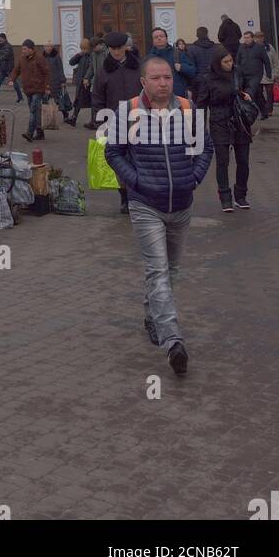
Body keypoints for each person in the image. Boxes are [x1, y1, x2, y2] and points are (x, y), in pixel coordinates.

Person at [105, 55, 213, 376]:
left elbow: (205, 148)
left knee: (172, 269)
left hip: (182, 203)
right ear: (144, 82)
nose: (163, 83)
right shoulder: (128, 112)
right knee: (158, 270)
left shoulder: (187, 109)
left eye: (167, 77)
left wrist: (193, 178)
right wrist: (135, 181)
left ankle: (152, 315)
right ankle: (173, 342)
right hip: (146, 204)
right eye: (156, 78)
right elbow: (113, 151)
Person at [90, 32, 142, 213]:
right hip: (114, 122)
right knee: (120, 163)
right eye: (112, 49)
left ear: (125, 48)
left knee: (139, 160)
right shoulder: (104, 71)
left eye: (119, 48)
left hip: (139, 121)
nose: (116, 52)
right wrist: (100, 123)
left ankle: (138, 197)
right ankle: (125, 197)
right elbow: (97, 97)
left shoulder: (138, 67)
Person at [196, 47, 252, 212]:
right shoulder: (208, 79)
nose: (230, 64)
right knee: (223, 162)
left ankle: (241, 196)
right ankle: (225, 197)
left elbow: (249, 85)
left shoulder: (237, 72)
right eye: (226, 62)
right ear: (217, 63)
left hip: (240, 122)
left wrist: (248, 93)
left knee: (243, 161)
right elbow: (201, 104)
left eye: (231, 61)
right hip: (219, 123)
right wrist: (198, 127)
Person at [11, 39, 49, 143]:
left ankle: (29, 133)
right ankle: (40, 133)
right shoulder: (22, 59)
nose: (23, 51)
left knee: (33, 110)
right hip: (27, 90)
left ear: (31, 49)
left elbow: (46, 73)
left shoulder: (39, 59)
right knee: (35, 112)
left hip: (38, 89)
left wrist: (47, 87)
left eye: (25, 49)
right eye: (22, 49)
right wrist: (12, 79)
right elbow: (16, 70)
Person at [236, 31, 271, 119]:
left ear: (252, 38)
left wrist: (269, 73)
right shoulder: (241, 47)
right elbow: (238, 60)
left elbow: (266, 61)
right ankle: (264, 111)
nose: (246, 39)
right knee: (257, 94)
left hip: (256, 75)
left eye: (248, 37)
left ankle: (252, 113)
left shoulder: (259, 47)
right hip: (244, 75)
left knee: (250, 92)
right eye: (245, 38)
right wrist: (237, 72)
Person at [147, 28, 187, 97]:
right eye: (156, 37)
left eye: (161, 36)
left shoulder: (178, 53)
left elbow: (192, 71)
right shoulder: (149, 58)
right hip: (157, 97)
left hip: (177, 95)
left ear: (166, 38)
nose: (159, 38)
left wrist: (182, 67)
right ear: (153, 41)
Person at [0, 33, 22, 103]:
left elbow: (5, 56)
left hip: (9, 68)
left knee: (14, 83)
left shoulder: (8, 46)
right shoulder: (3, 46)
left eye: (1, 38)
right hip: (3, 68)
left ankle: (20, 98)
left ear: (4, 38)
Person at [186, 27, 217, 102]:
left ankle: (200, 114)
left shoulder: (191, 49)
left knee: (199, 105)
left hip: (198, 80)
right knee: (213, 104)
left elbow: (191, 67)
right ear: (207, 34)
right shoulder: (215, 48)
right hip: (213, 79)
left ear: (197, 35)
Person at [67, 38, 93, 127]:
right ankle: (74, 118)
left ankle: (93, 120)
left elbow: (91, 69)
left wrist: (88, 79)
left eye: (85, 49)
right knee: (78, 100)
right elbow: (71, 62)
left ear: (89, 48)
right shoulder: (82, 56)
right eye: (82, 48)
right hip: (80, 82)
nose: (83, 50)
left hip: (88, 83)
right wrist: (79, 54)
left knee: (92, 101)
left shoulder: (92, 56)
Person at [254, 30, 279, 119]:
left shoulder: (270, 48)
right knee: (258, 94)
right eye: (257, 37)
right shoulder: (253, 48)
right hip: (258, 75)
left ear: (263, 38)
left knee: (269, 94)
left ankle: (269, 110)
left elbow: (275, 62)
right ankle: (263, 108)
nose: (259, 39)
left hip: (269, 75)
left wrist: (276, 75)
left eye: (261, 37)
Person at [42, 43, 70, 122]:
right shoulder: (42, 57)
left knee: (59, 100)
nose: (48, 48)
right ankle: (48, 117)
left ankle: (65, 114)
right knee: (45, 99)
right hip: (46, 83)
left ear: (52, 47)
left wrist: (63, 81)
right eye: (46, 46)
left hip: (56, 82)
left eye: (49, 46)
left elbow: (60, 69)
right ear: (44, 47)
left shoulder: (56, 57)